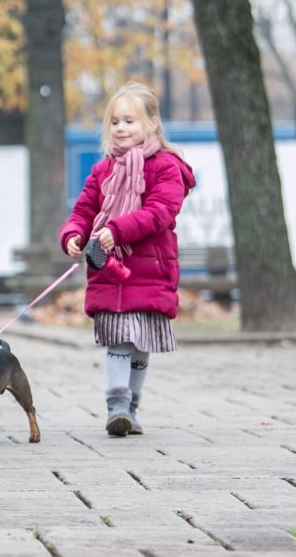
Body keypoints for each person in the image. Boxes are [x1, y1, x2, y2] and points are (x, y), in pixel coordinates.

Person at [59, 82, 195, 437]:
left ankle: (130, 407)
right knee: (118, 339)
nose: (121, 128)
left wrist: (118, 230)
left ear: (151, 123)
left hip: (149, 268)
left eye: (129, 121)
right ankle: (117, 406)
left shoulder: (167, 167)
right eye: (115, 122)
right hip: (110, 271)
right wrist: (73, 234)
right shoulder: (103, 170)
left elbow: (159, 212)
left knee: (140, 342)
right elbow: (85, 208)